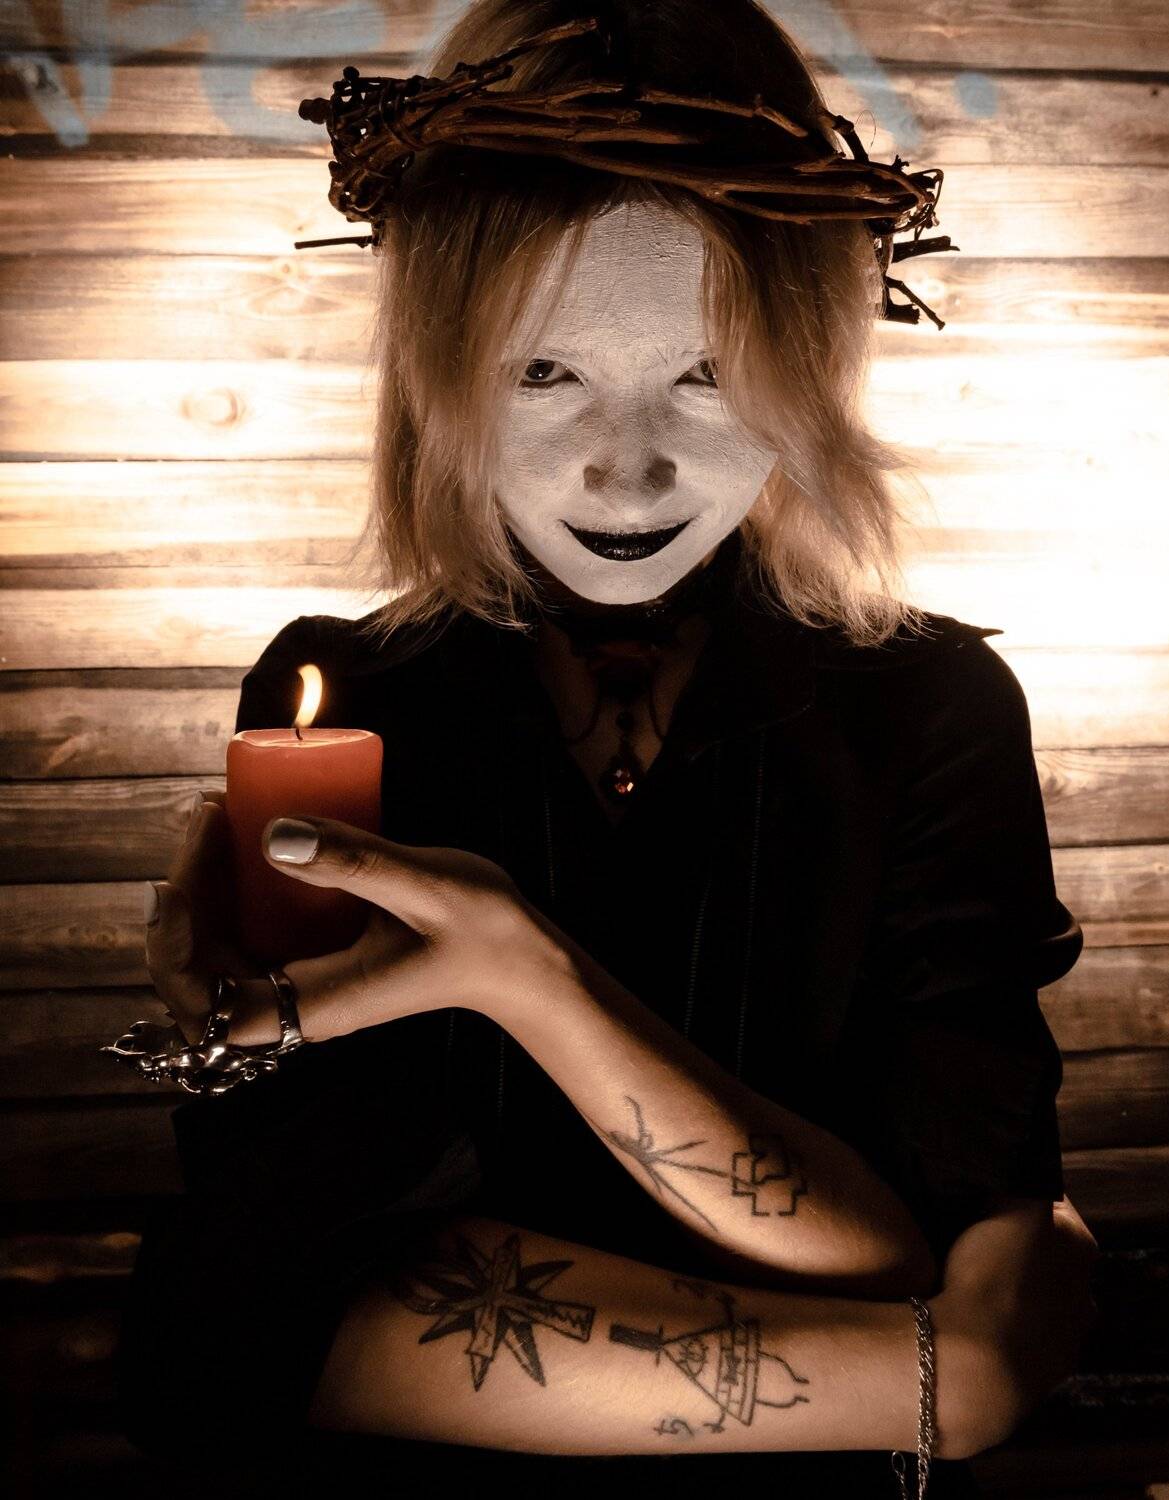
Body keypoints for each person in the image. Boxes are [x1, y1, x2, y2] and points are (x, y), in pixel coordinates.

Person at [113, 2, 1099, 1495]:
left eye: (707, 372)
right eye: (543, 372)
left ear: (809, 361)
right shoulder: (340, 699)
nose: (626, 471)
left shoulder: (932, 706)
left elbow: (945, 1222)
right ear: (440, 371)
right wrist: (938, 1384)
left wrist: (522, 979)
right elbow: (271, 1288)